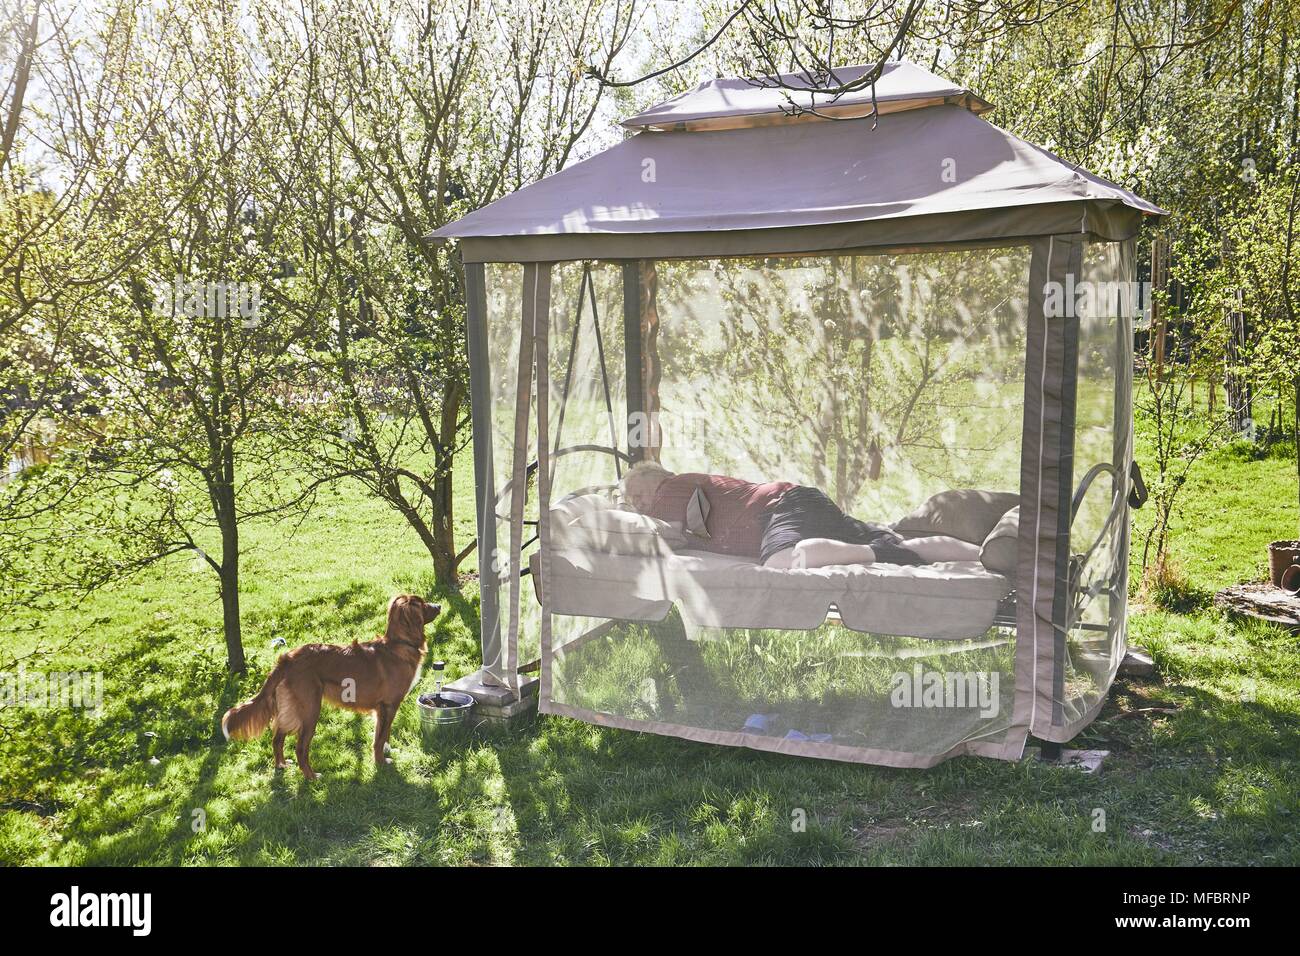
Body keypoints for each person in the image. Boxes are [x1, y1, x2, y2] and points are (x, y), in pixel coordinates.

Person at [620, 461, 980, 569]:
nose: (637, 503)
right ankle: (985, 556)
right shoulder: (681, 487)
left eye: (639, 493)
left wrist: (618, 513)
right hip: (801, 502)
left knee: (779, 562)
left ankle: (882, 553)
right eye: (629, 498)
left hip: (782, 507)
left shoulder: (673, 487)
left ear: (659, 479)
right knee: (898, 536)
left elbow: (664, 534)